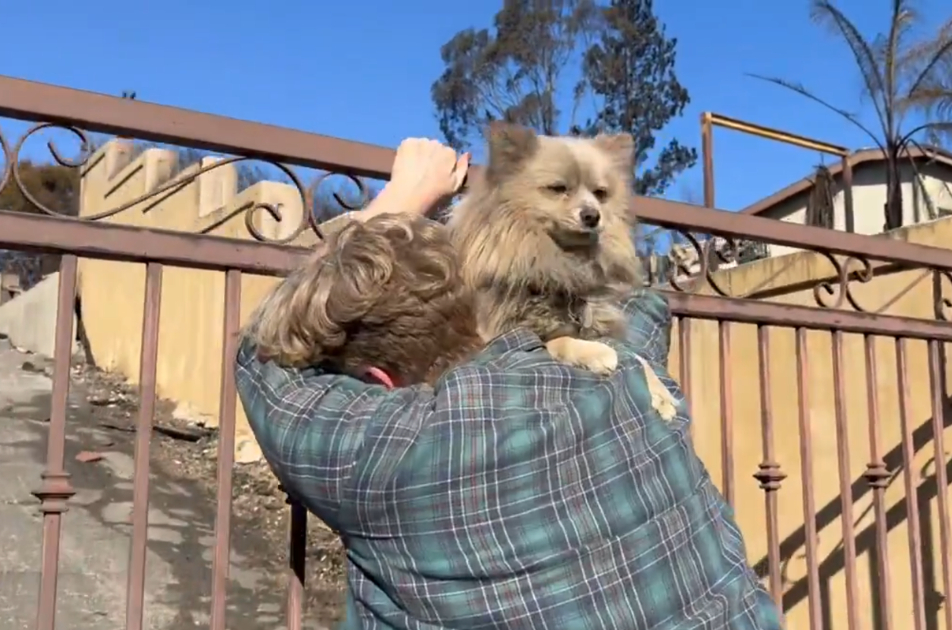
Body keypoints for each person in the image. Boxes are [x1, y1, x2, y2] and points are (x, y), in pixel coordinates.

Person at [234, 138, 781, 630]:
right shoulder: (624, 374)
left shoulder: (385, 455)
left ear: (377, 381)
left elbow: (263, 355)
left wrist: (402, 196)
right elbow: (638, 303)